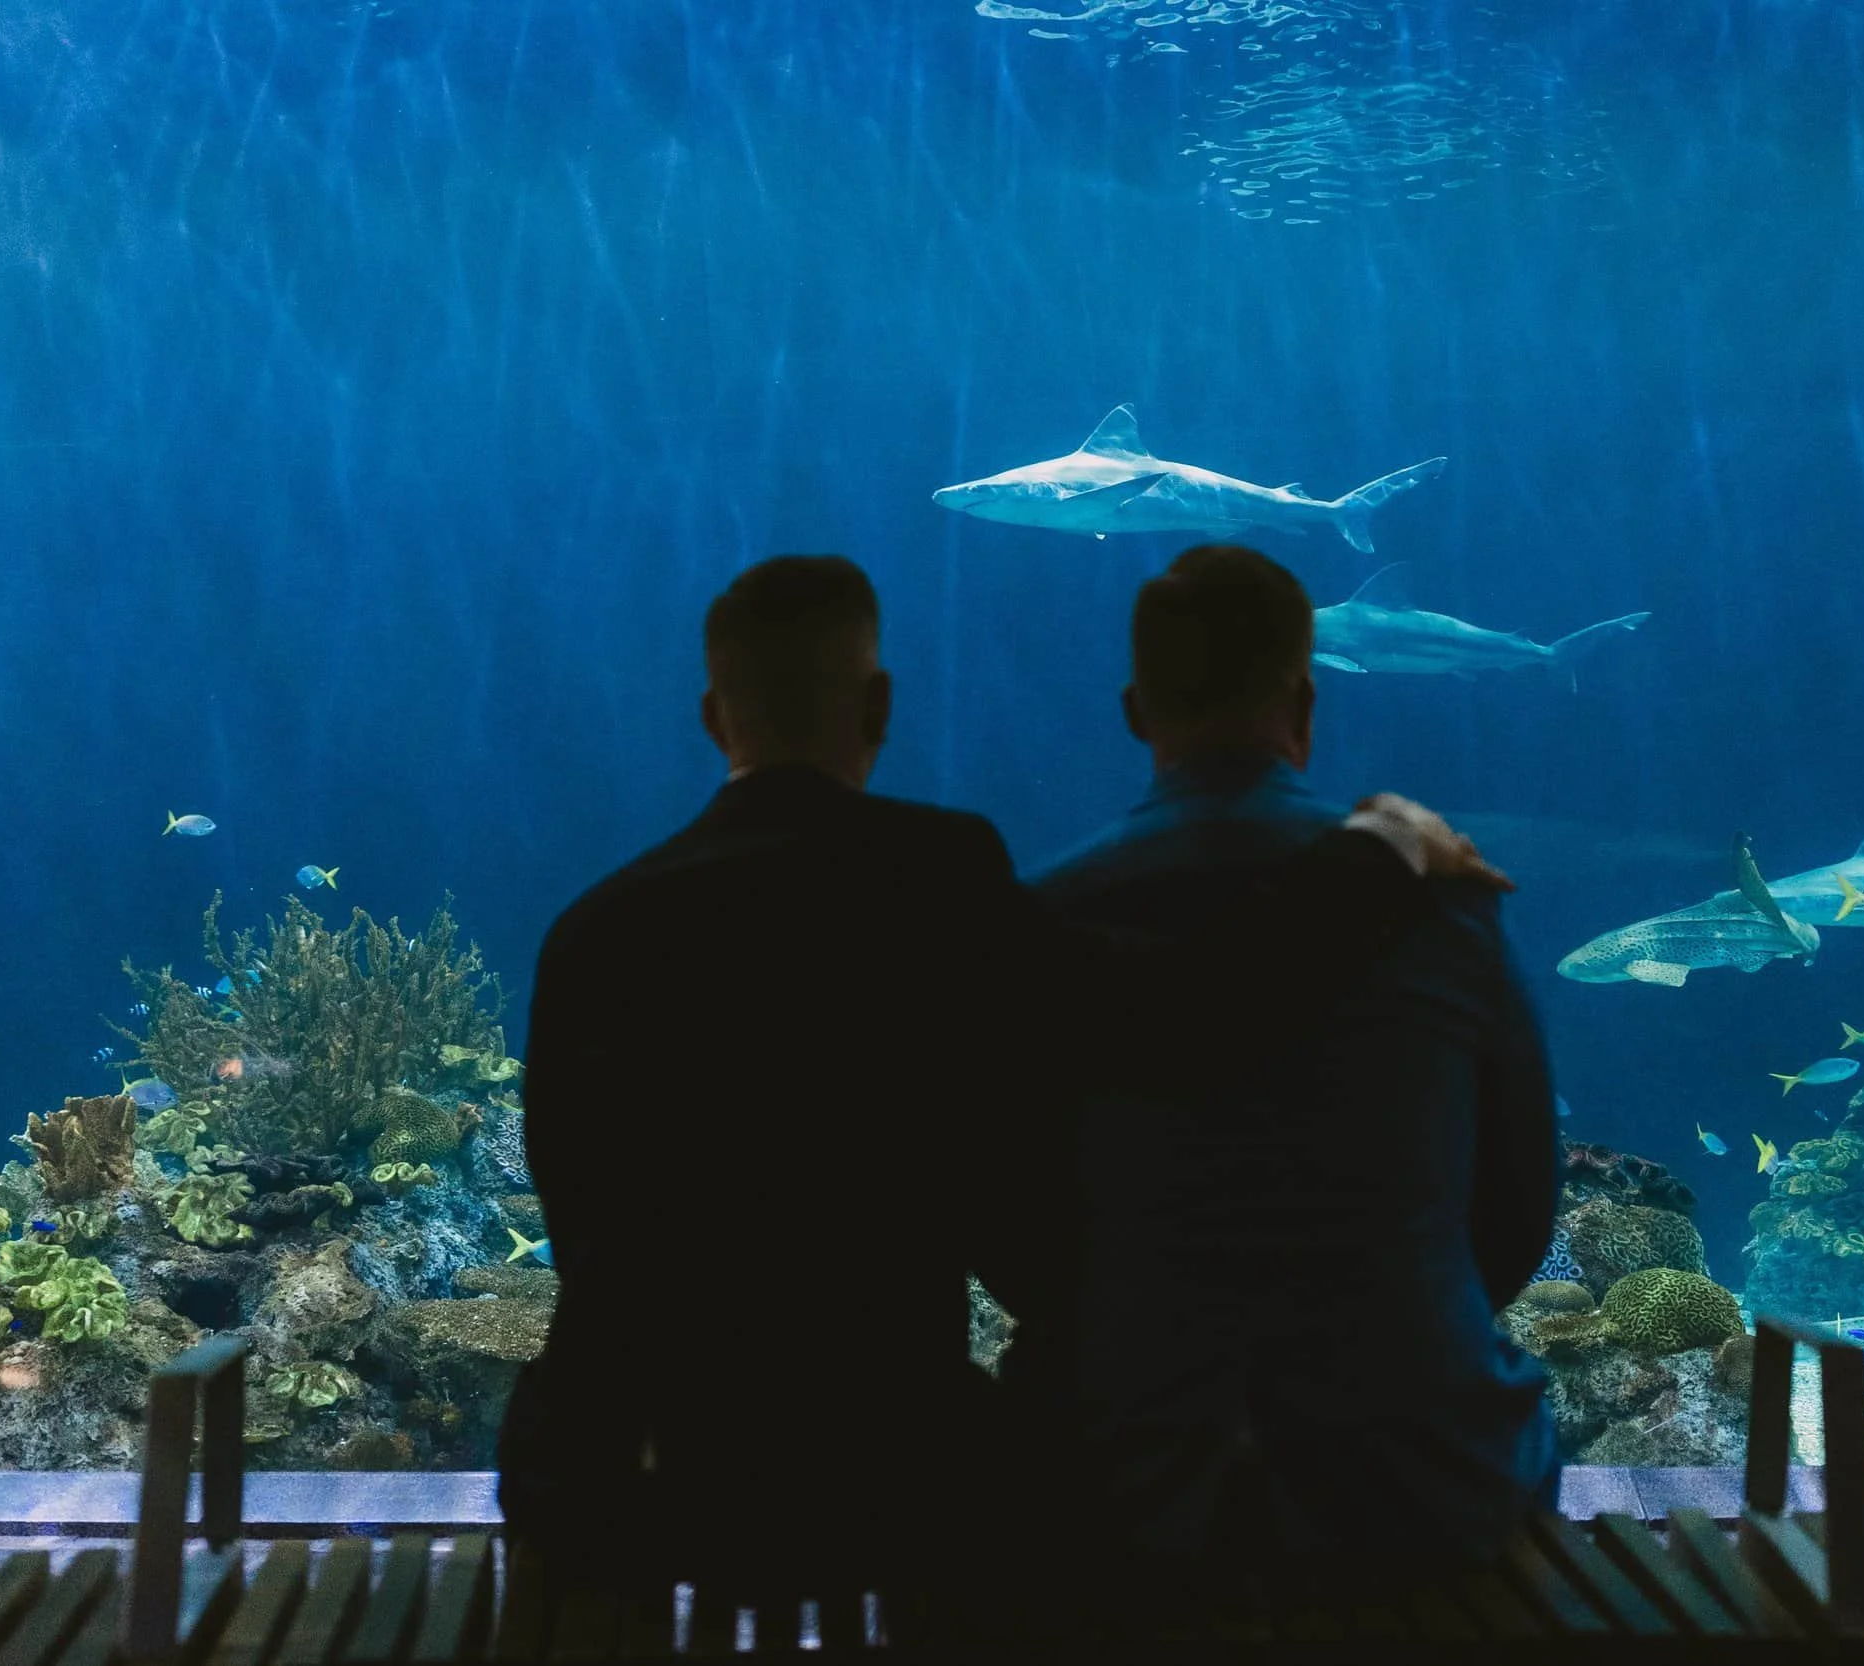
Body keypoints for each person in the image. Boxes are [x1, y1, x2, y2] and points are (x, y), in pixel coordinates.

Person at [497, 554, 1505, 1596]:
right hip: (881, 1480)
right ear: (878, 704)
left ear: (713, 716)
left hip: (618, 1485)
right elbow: (1189, 1015)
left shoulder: (594, 931)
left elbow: (577, 1218)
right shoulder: (931, 877)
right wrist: (1382, 843)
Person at [1032, 543, 1560, 1572]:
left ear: (1136, 710)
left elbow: (1010, 1216)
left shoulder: (1044, 910)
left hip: (1124, 1480)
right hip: (1425, 1479)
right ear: (1307, 707)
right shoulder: (1451, 907)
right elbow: (1516, 1204)